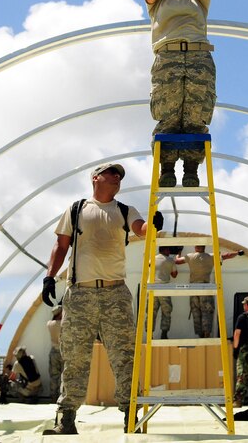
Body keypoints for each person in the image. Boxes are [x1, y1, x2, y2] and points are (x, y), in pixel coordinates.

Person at [40, 162, 158, 435]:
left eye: (120, 176)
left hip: (115, 294)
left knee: (124, 357)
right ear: (95, 178)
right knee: (75, 358)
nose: (117, 178)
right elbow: (61, 244)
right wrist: (49, 277)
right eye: (111, 173)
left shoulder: (125, 211)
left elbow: (141, 229)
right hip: (80, 293)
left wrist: (153, 225)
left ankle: (132, 418)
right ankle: (66, 418)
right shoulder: (77, 209)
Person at [145, 0, 214, 188]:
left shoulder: (198, 1)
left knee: (196, 114)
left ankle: (192, 169)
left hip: (199, 56)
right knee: (168, 113)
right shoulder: (159, 2)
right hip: (168, 56)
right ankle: (167, 168)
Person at [177, 245, 243, 338]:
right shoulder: (211, 256)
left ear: (195, 248)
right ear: (204, 247)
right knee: (207, 311)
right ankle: (206, 333)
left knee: (196, 311)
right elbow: (227, 255)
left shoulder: (190, 256)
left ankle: (200, 334)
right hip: (205, 287)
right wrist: (237, 253)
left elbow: (177, 261)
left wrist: (178, 253)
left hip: (193, 288)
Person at [152, 246, 179, 339]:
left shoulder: (152, 258)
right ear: (165, 250)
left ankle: (149, 335)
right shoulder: (170, 260)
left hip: (152, 288)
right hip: (164, 288)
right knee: (166, 311)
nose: (169, 251)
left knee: (151, 312)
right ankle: (164, 334)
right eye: (168, 249)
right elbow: (174, 275)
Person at [47, 306, 63, 401]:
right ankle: (61, 396)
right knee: (63, 375)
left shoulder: (49, 324)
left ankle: (53, 395)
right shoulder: (63, 324)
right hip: (62, 351)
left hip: (53, 352)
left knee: (54, 375)